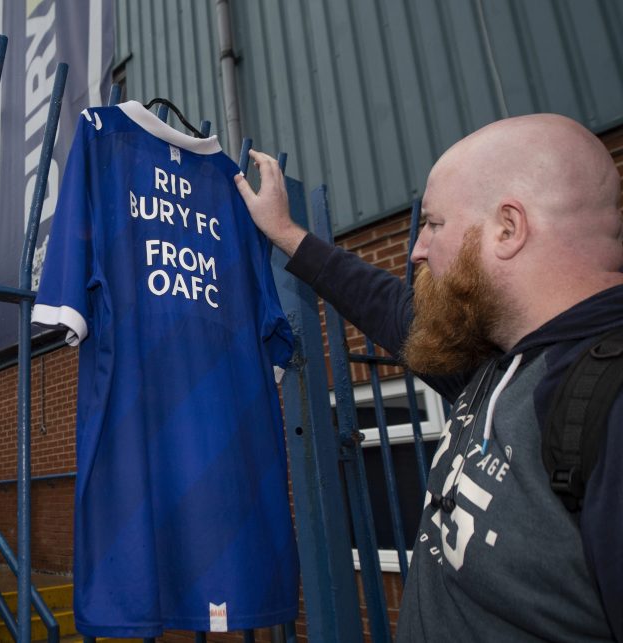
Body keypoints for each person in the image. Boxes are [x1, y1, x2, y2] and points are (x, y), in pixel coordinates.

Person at [234, 113, 622, 641]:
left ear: (509, 228)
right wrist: (286, 234)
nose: (416, 248)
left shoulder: (606, 402)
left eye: (435, 224)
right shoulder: (497, 364)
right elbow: (390, 308)